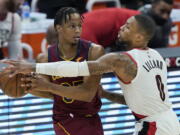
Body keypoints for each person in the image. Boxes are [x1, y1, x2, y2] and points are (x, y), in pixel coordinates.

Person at [3, 14, 180, 135]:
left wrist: (34, 67)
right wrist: (107, 94)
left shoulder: (120, 60)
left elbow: (76, 69)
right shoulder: (156, 56)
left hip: (153, 127)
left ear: (140, 37)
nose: (121, 28)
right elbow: (141, 99)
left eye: (127, 27)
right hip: (171, 121)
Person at [5, 7, 106, 135]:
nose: (78, 30)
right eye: (72, 26)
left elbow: (87, 94)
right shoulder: (44, 58)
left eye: (80, 26)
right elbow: (50, 94)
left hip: (89, 117)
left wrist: (48, 86)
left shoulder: (94, 52)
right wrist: (28, 86)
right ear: (59, 28)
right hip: (62, 118)